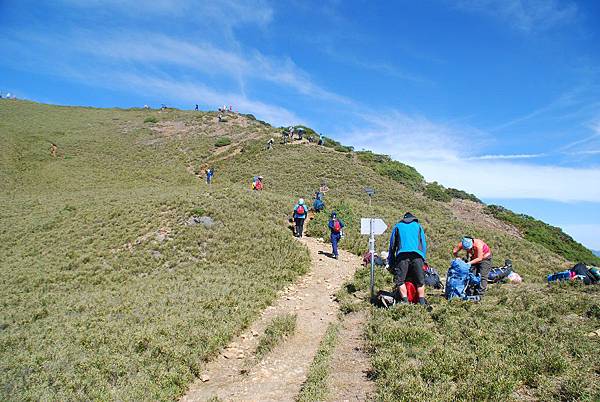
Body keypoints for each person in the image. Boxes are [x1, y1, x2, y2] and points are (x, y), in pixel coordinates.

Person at [388, 212, 428, 305]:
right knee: (420, 281)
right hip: (417, 256)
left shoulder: (398, 226)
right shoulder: (418, 226)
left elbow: (392, 245)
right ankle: (422, 303)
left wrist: (391, 261)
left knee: (400, 281)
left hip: (402, 256)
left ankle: (405, 302)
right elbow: (423, 244)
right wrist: (423, 258)